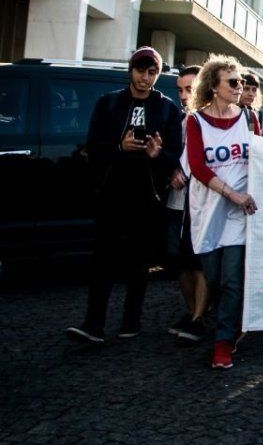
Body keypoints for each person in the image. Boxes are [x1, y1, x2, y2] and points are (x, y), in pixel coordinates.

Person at [66, 47, 184, 345]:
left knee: (139, 260)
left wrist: (158, 154)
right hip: (112, 190)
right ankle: (94, 324)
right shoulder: (109, 103)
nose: (145, 78)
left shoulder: (168, 108)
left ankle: (131, 320)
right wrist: (119, 146)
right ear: (130, 70)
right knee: (103, 259)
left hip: (148, 193)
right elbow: (92, 147)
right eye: (141, 71)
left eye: (152, 72)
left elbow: (177, 153)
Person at [185, 56, 260, 369]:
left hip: (240, 213)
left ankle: (223, 342)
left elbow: (262, 156)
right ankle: (228, 321)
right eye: (232, 81)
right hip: (209, 208)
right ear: (213, 86)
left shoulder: (249, 118)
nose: (238, 86)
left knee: (231, 279)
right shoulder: (195, 121)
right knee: (213, 278)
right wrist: (229, 193)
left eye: (240, 81)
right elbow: (199, 166)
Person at [165, 65, 206, 344]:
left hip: (202, 201)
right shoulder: (176, 118)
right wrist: (170, 168)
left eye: (189, 89)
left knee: (199, 261)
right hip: (176, 201)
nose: (183, 95)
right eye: (179, 90)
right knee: (179, 262)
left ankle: (199, 318)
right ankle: (191, 313)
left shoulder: (212, 120)